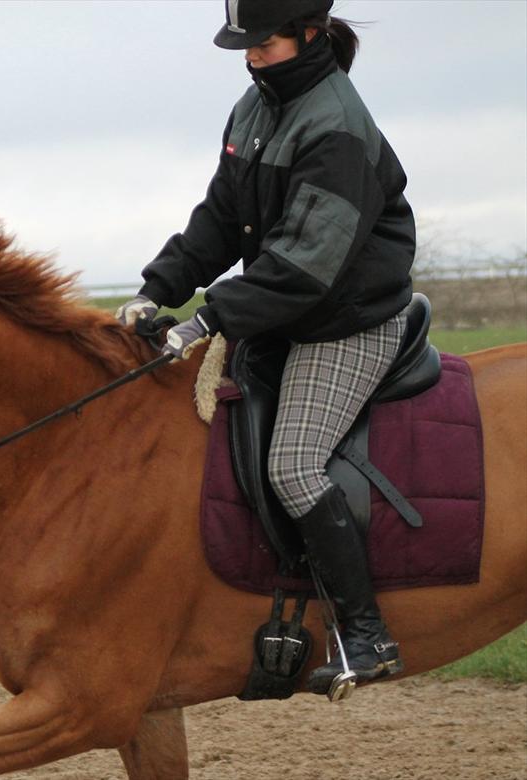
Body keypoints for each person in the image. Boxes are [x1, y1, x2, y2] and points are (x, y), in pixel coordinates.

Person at [116, 0, 415, 694]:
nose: (251, 56)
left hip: (346, 319)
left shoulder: (337, 126)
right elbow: (222, 218)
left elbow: (306, 264)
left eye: (264, 44)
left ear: (309, 34)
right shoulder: (255, 108)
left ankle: (367, 636)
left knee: (293, 467)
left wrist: (211, 318)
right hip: (286, 311)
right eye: (244, 45)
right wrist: (158, 288)